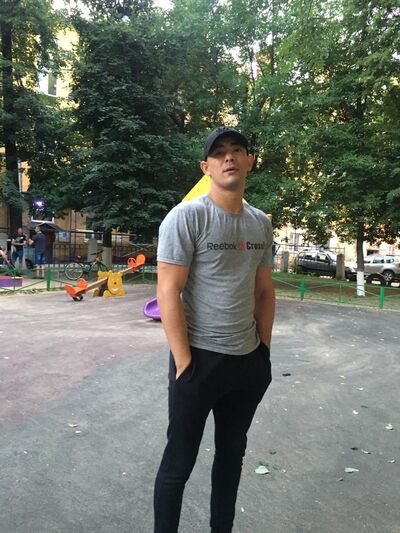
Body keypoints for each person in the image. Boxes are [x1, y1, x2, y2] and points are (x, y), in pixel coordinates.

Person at [154, 126, 275, 533]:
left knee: (230, 459)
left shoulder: (260, 223)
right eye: (219, 153)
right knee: (179, 464)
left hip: (247, 363)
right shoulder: (186, 217)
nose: (229, 157)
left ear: (249, 162)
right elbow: (168, 291)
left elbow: (264, 292)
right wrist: (184, 364)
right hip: (199, 361)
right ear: (205, 167)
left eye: (237, 150)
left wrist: (263, 353)